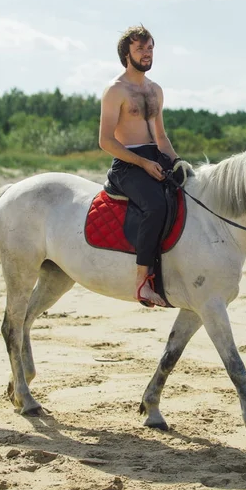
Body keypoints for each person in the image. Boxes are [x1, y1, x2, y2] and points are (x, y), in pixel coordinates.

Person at [99, 25, 179, 308]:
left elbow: (161, 137)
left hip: (155, 157)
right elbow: (105, 141)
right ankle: (142, 281)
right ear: (126, 54)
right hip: (127, 163)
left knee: (188, 195)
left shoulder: (155, 90)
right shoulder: (115, 90)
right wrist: (143, 163)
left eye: (149, 49)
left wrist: (177, 161)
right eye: (139, 49)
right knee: (156, 206)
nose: (146, 54)